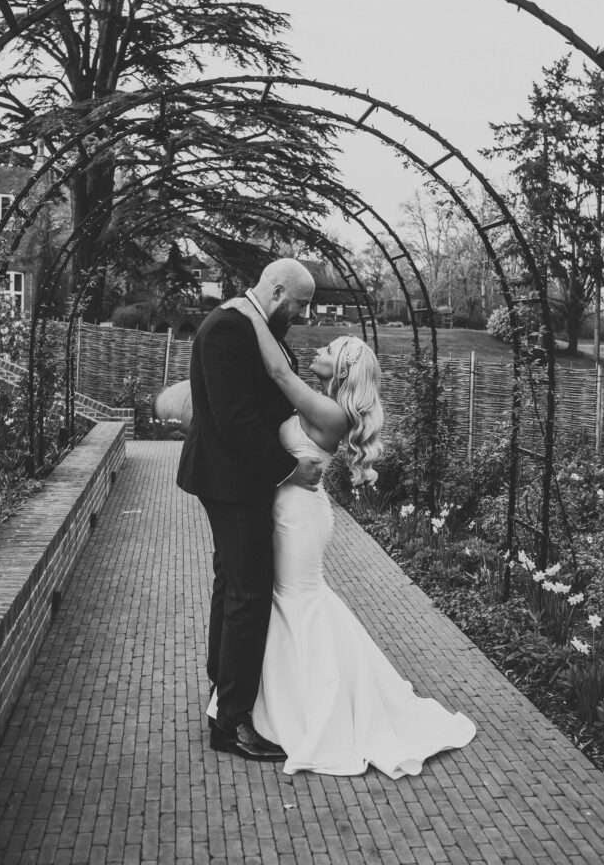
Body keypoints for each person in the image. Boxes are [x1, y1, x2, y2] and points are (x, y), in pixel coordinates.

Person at [209, 299, 477, 777]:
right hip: (290, 507)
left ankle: (312, 704)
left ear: (345, 366)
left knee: (296, 601)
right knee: (281, 600)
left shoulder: (330, 412)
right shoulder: (320, 403)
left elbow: (275, 368)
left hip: (299, 516)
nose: (319, 346)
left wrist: (249, 311)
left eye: (330, 347)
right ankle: (269, 698)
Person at [176, 258, 322, 762]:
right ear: (279, 290)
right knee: (249, 590)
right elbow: (234, 418)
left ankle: (223, 690)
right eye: (300, 303)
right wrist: (289, 469)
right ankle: (232, 722)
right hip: (233, 479)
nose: (302, 314)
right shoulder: (227, 329)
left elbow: (274, 392)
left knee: (231, 582)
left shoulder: (254, 325)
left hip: (239, 477)